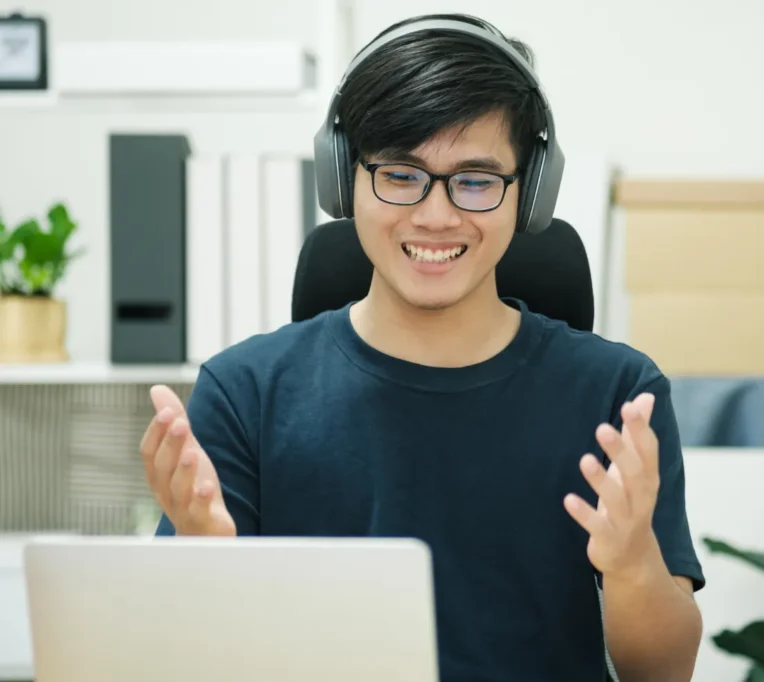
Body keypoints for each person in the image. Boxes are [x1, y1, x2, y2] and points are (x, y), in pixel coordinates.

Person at [139, 13, 705, 682]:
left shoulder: (617, 394)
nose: (436, 216)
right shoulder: (246, 392)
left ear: (530, 194)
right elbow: (181, 662)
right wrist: (203, 562)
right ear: (343, 178)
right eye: (402, 175)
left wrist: (633, 561)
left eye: (475, 179)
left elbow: (662, 673)